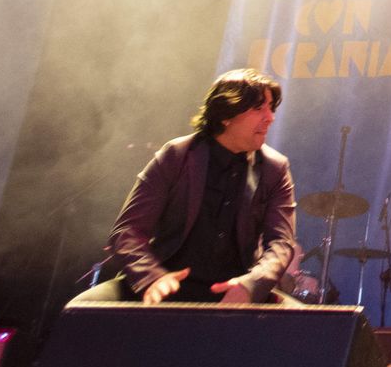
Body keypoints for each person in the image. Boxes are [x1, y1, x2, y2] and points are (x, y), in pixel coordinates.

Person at [70, 69, 297, 306]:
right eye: (259, 109)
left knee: (307, 325)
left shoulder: (274, 168)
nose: (270, 117)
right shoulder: (176, 155)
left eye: (271, 108)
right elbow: (126, 232)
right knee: (82, 308)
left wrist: (251, 284)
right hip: (165, 282)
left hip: (235, 290)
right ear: (226, 115)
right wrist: (152, 278)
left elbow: (281, 244)